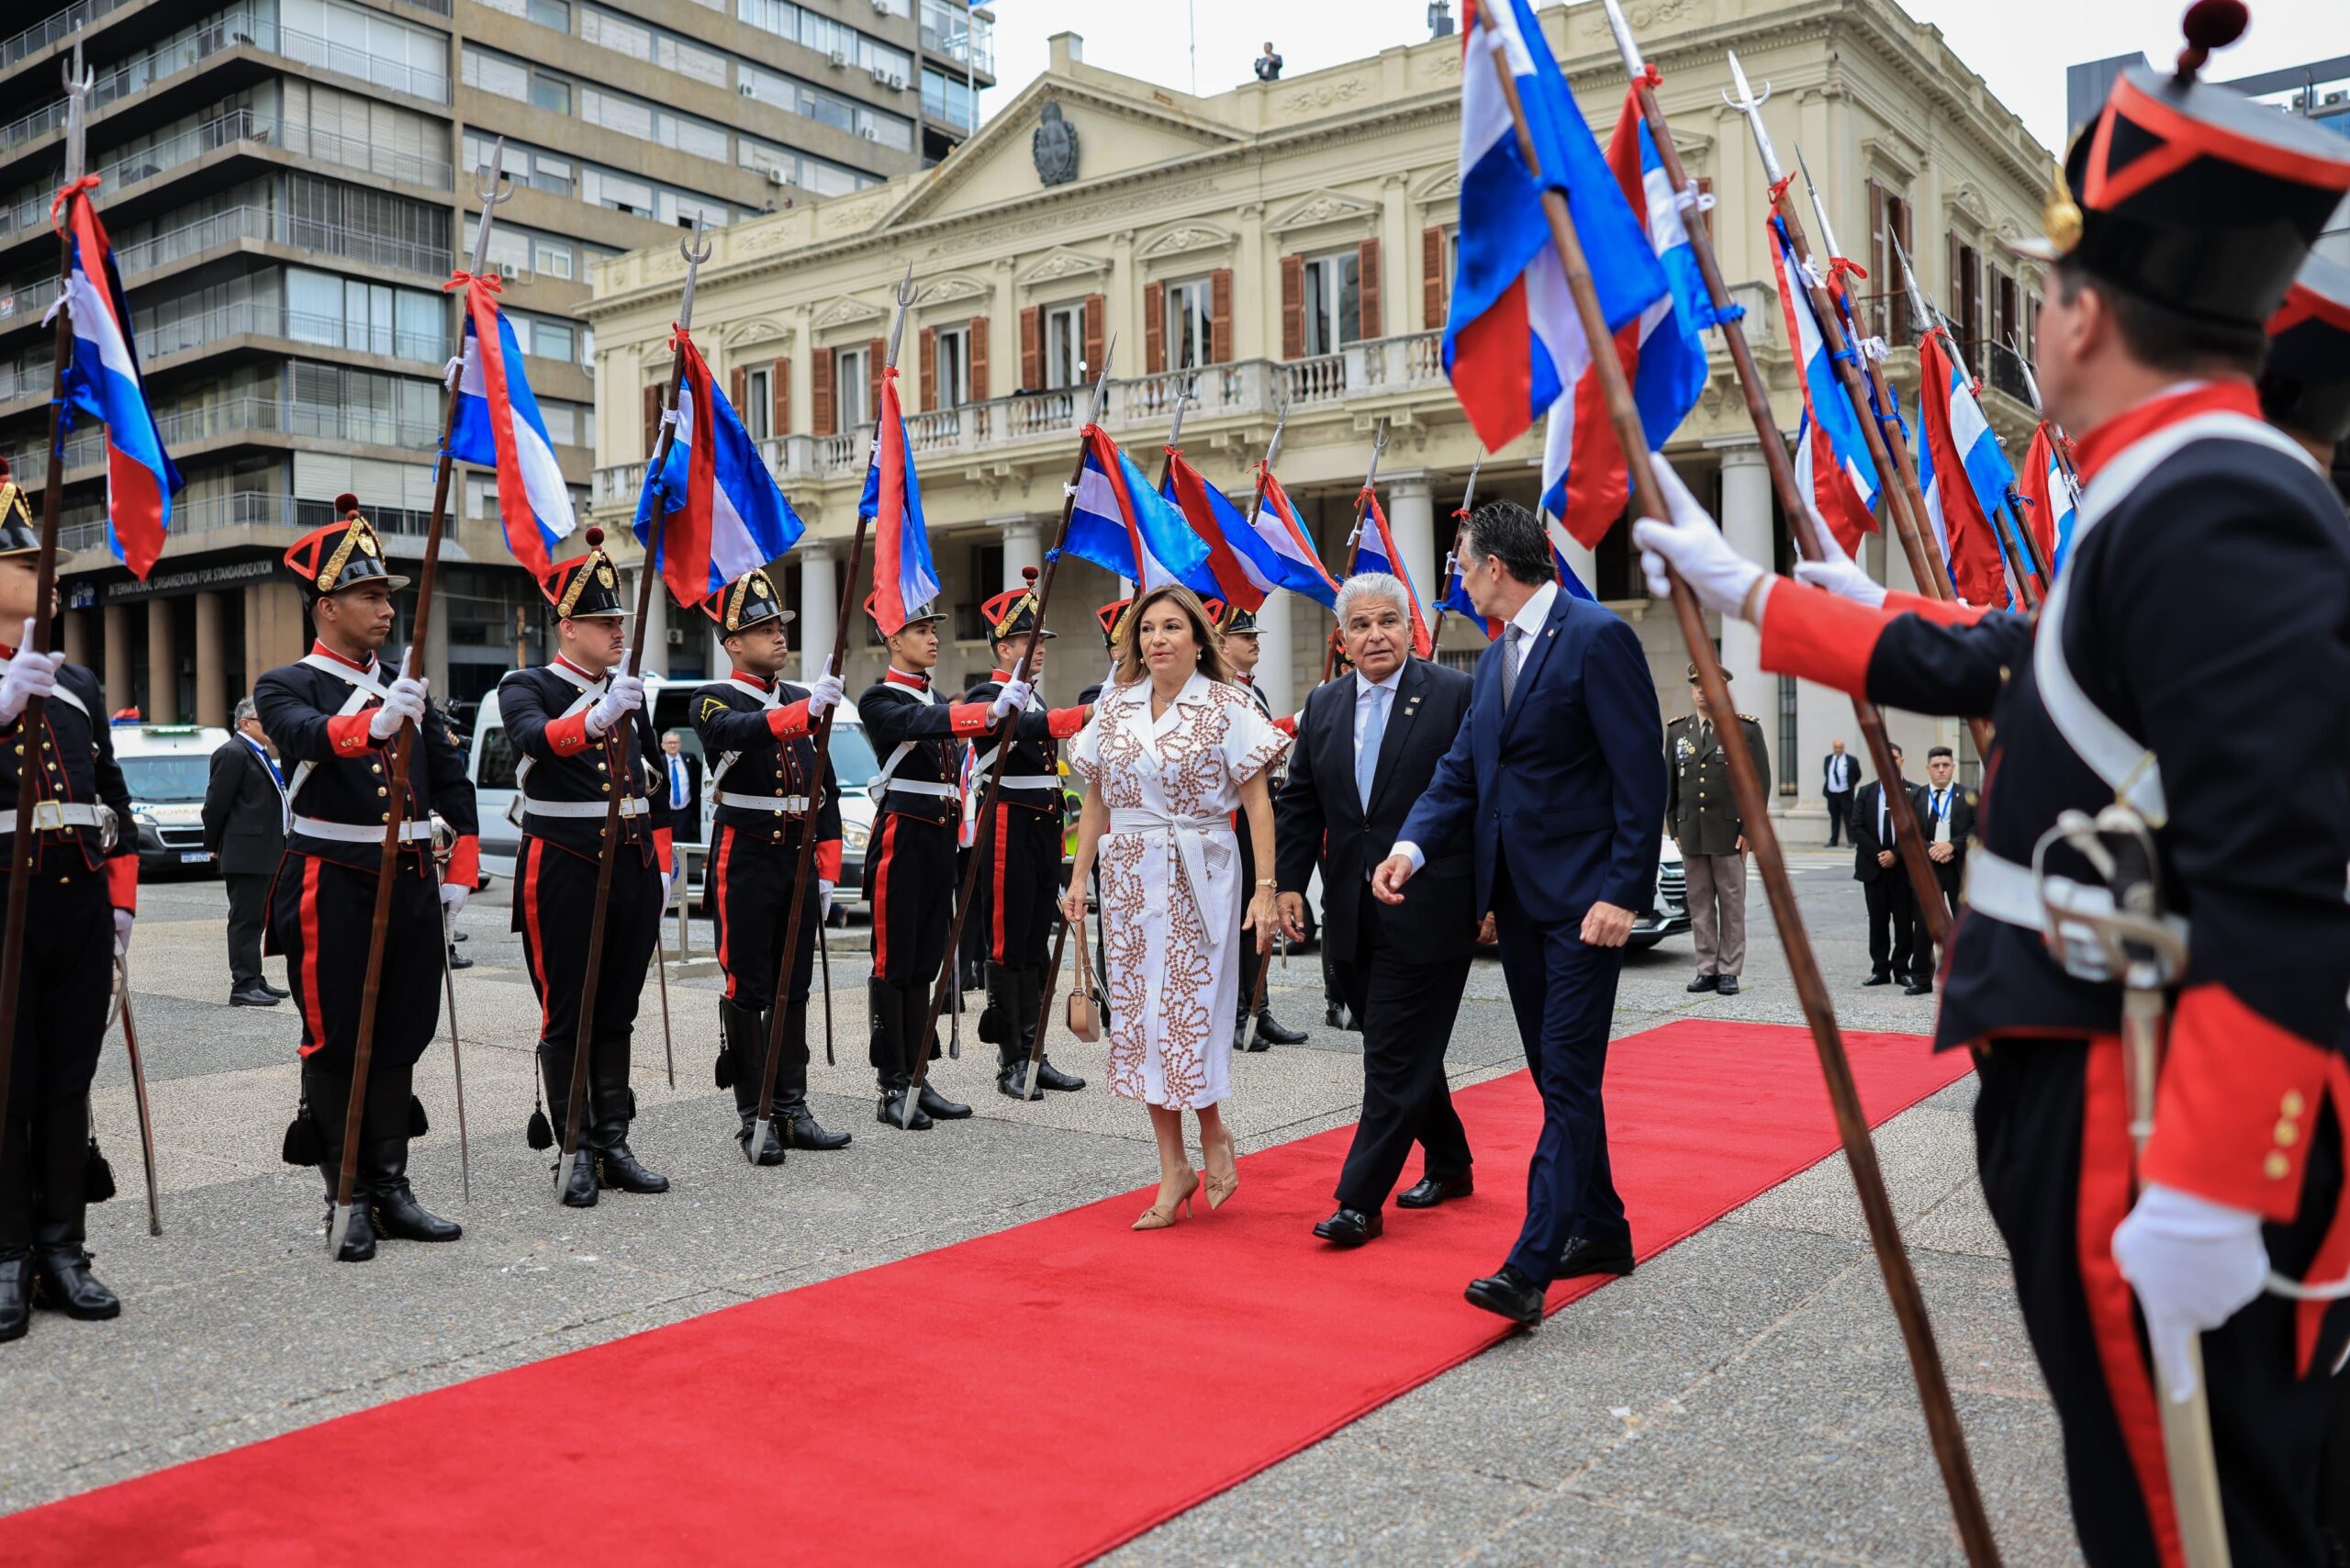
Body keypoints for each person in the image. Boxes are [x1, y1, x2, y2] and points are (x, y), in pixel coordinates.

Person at [1629, 25, 2350, 1558]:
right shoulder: (2175, 484)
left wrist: (2220, 1180)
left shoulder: (2218, 496)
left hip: (2147, 1093)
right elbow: (2013, 659)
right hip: (2100, 1067)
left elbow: (2286, 869)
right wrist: (1762, 593)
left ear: (2083, 316)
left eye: (2049, 292)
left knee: (2193, 1526)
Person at [1374, 498, 1664, 1327]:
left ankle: (1530, 1265)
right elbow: (1464, 774)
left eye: (1461, 566)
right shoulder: (1498, 655)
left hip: (1584, 909)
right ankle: (1603, 1230)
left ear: (1494, 569)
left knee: (1568, 1078)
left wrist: (1622, 891)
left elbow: (1640, 775)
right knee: (1555, 1077)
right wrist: (1412, 848)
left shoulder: (1596, 635)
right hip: (1518, 907)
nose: (1458, 582)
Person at [256, 495, 477, 1263]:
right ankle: (345, 1194)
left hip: (412, 876)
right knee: (339, 1040)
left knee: (400, 1037)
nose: (387, 609)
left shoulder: (410, 686)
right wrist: (370, 724)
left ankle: (392, 1185)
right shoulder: (287, 683)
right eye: (370, 596)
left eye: (388, 596)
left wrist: (462, 872)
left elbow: (453, 784)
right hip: (332, 880)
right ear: (327, 606)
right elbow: (303, 735)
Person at [1064, 584, 1286, 1229]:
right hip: (1129, 876)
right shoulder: (1115, 708)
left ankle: (1212, 1130)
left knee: (1186, 1017)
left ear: (1197, 639)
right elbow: (1098, 801)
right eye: (1147, 630)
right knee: (1138, 1024)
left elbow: (1257, 803)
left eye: (1171, 628)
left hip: (1201, 872)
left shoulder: (1229, 704)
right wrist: (1080, 880)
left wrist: (1266, 889)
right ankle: (1173, 1167)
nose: (1157, 639)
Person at [1276, 573, 1477, 1246]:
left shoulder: (1453, 695)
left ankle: (1360, 1200)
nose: (1375, 635)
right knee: (1400, 1045)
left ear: (1410, 628)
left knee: (1390, 1058)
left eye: (1388, 621)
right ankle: (1450, 1162)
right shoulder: (1325, 704)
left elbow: (1479, 802)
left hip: (1432, 908)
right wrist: (1287, 886)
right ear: (1342, 639)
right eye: (1360, 626)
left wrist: (1490, 898)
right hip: (1350, 915)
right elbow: (1301, 801)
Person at [861, 591, 1085, 1130]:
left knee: (926, 961)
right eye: (921, 630)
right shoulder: (879, 699)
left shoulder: (940, 695)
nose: (934, 637)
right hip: (903, 837)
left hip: (940, 838)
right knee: (896, 962)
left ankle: (920, 1076)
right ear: (894, 639)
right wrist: (993, 711)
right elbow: (927, 723)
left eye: (935, 629)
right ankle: (893, 1084)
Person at [495, 529, 673, 1206]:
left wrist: (660, 867)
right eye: (604, 623)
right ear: (568, 628)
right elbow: (533, 738)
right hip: (564, 864)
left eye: (620, 621)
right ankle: (573, 1147)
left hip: (628, 864)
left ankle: (613, 1138)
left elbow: (651, 788)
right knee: (568, 1011)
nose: (617, 632)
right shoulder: (527, 684)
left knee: (618, 1011)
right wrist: (596, 718)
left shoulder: (629, 693)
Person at [0, 487, 138, 1342]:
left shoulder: (76, 677)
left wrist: (119, 905)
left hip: (76, 905)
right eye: (24, 561)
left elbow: (113, 803)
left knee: (65, 1087)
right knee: (5, 1087)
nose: (45, 573)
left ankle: (64, 1249)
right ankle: (8, 1252)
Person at [691, 568, 851, 1162]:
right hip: (747, 855)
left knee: (795, 984)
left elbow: (824, 792)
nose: (777, 636)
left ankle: (792, 1108)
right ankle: (752, 1115)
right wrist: (805, 712)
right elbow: (738, 731)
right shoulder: (715, 698)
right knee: (749, 985)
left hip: (797, 859)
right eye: (761, 629)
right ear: (734, 643)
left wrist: (827, 868)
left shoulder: (802, 701)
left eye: (779, 625)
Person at [967, 570, 1087, 1100]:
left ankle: (1037, 1051)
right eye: (1027, 640)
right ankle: (1012, 1059)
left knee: (1036, 942)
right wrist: (1085, 713)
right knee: (1008, 941)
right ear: (1003, 644)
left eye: (1040, 640)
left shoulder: (1034, 699)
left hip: (1041, 827)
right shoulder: (988, 694)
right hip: (1009, 824)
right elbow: (1027, 730)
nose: (1038, 649)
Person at [1215, 600, 1304, 1050]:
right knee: (1240, 914)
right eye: (1244, 635)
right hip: (1235, 816)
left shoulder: (1253, 691)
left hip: (1262, 807)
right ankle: (1235, 1012)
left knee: (1260, 908)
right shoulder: (1222, 690)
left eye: (1254, 636)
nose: (1254, 642)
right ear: (1219, 643)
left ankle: (1258, 1006)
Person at [1664, 663, 1767, 998]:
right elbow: (1670, 784)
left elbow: (1758, 784)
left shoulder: (1744, 730)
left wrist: (1750, 830)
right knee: (1700, 904)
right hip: (1691, 832)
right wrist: (1673, 826)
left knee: (1732, 903)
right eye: (1696, 686)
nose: (1701, 692)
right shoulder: (1678, 731)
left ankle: (1729, 970)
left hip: (1729, 833)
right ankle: (1706, 968)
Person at [203, 696, 289, 1007]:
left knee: (257, 919)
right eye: (263, 719)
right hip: (246, 851)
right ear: (245, 723)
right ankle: (243, 984)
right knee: (245, 919)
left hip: (264, 850)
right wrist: (212, 844)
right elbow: (216, 804)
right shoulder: (232, 753)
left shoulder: (259, 752)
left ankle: (255, 977)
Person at [1850, 745, 1930, 995]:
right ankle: (1880, 968)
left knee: (1904, 921)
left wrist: (1895, 854)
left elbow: (1918, 830)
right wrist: (1879, 855)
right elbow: (1857, 827)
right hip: (1873, 867)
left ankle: (1902, 968)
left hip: (1903, 868)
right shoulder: (1866, 792)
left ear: (1901, 761)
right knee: (1878, 920)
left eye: (1894, 758)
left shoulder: (1915, 793)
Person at [1919, 745, 1974, 923]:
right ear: (1928, 769)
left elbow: (1978, 827)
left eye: (1946, 765)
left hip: (1957, 866)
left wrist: (1952, 846)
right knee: (1926, 924)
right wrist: (1931, 849)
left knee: (1962, 920)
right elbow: (1910, 831)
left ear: (1953, 767)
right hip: (1928, 866)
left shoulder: (1969, 795)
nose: (1941, 770)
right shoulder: (1916, 796)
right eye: (1936, 766)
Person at [659, 732, 701, 846]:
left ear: (680, 744)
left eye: (675, 742)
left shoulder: (689, 758)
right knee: (666, 845)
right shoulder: (658, 762)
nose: (673, 745)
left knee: (683, 846)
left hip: (684, 813)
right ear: (663, 745)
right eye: (670, 743)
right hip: (666, 813)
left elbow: (699, 779)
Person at [1820, 737, 1857, 847]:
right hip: (1832, 794)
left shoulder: (1851, 760)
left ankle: (1851, 841)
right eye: (1836, 747)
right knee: (1834, 818)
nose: (1838, 749)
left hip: (1845, 793)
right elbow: (1827, 774)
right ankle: (1833, 841)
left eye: (1840, 747)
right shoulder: (1828, 759)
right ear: (1833, 748)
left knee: (1848, 818)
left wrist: (1850, 785)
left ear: (1843, 748)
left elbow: (1857, 774)